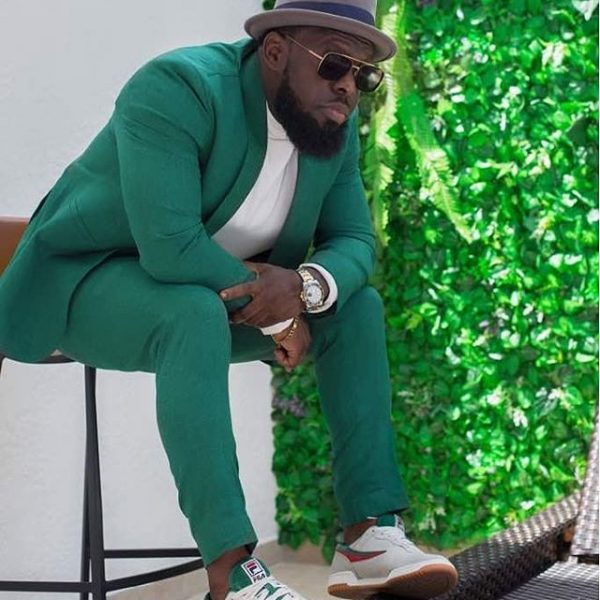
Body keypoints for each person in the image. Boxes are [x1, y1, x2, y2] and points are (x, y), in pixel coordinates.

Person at [0, 0, 459, 598]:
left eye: (363, 74)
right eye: (334, 64)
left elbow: (353, 240)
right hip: (86, 280)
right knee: (191, 312)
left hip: (219, 302)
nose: (348, 86)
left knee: (355, 308)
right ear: (276, 51)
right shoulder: (178, 88)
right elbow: (170, 246)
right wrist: (277, 319)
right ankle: (231, 574)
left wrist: (303, 289)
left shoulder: (328, 127)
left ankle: (368, 535)